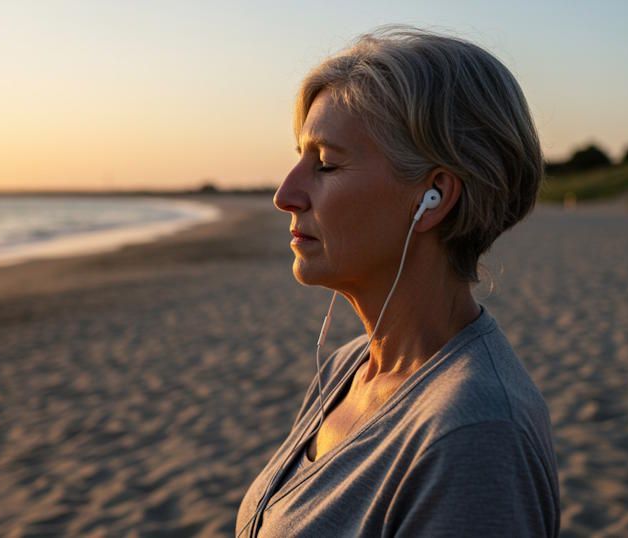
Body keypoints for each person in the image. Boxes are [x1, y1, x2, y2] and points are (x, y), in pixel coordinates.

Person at [235, 26, 560, 537]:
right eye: (298, 157)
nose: (285, 194)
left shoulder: (476, 436)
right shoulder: (347, 366)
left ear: (433, 196)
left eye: (325, 164)